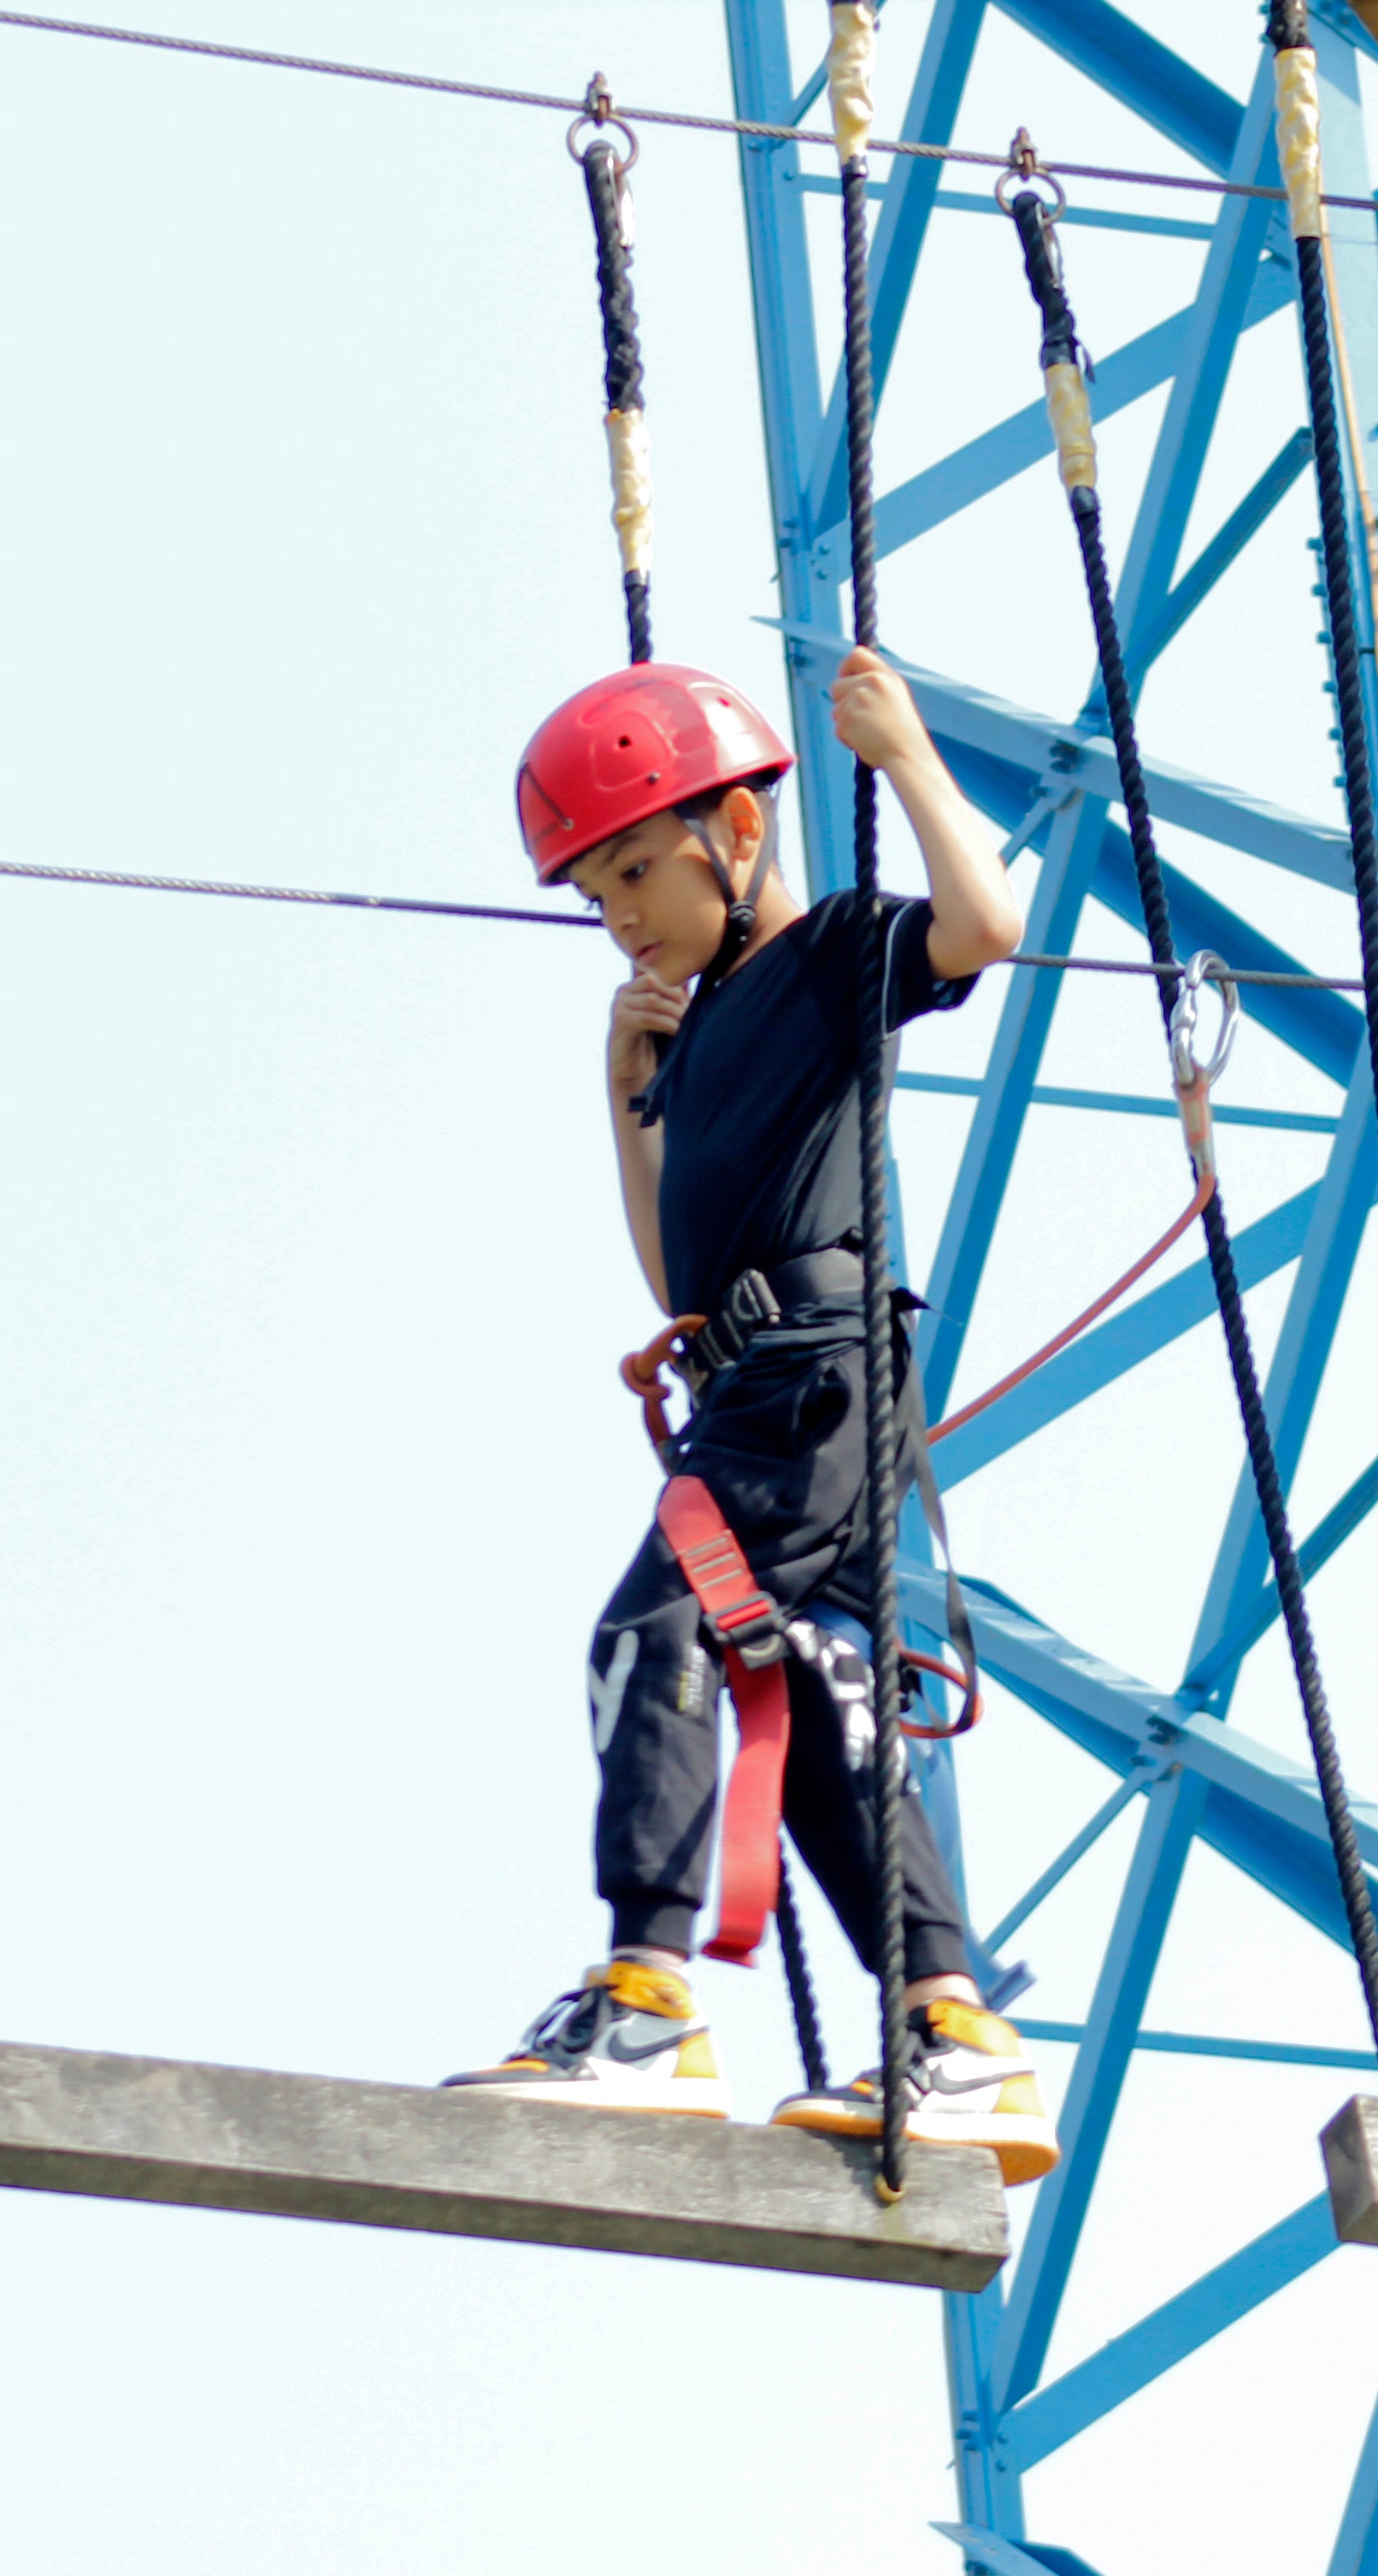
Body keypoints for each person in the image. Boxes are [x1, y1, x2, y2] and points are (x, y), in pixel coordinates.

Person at [440, 648, 1057, 2182]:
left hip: (815, 1384)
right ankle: (954, 2027)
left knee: (654, 1633)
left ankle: (647, 1993)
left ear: (736, 832)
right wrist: (624, 1084)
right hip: (760, 1380)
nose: (624, 913)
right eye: (597, 895)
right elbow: (674, 1271)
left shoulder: (833, 952)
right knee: (822, 1700)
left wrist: (906, 755)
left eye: (638, 869)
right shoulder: (702, 1026)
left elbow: (989, 924)